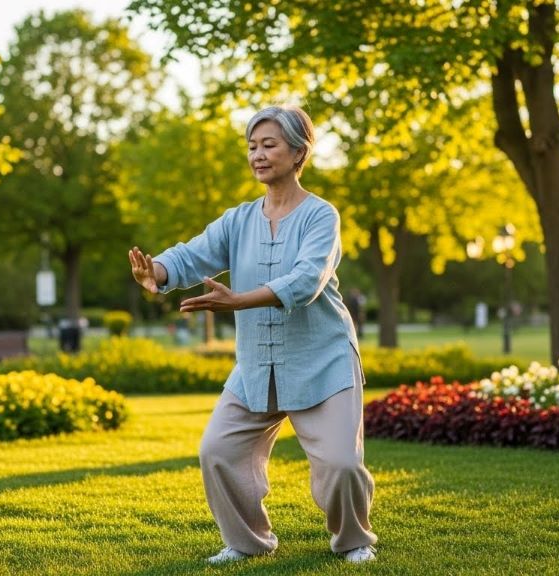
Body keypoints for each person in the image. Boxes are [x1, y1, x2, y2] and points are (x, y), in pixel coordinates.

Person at [128, 105, 377, 565]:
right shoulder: (238, 219)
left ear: (299, 152)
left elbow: (307, 280)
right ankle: (246, 542)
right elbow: (193, 255)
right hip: (257, 365)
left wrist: (238, 301)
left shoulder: (321, 216)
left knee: (341, 464)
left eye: (269, 145)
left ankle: (353, 540)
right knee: (218, 451)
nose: (257, 155)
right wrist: (157, 272)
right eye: (251, 146)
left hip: (323, 361)